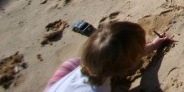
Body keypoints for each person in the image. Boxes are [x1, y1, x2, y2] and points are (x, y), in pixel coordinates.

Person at [44, 21, 173, 92]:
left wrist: (155, 45)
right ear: (126, 67)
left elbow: (132, 55)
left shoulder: (79, 64)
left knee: (72, 62)